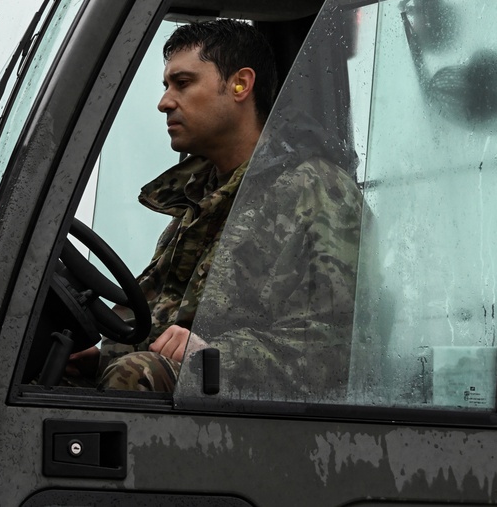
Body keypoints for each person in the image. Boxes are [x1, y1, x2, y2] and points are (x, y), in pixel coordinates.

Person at [69, 20, 363, 397]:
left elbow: (333, 350)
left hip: (263, 424)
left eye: (183, 83)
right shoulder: (200, 199)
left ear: (240, 84)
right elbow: (160, 321)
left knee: (133, 376)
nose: (165, 102)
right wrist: (102, 356)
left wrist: (211, 356)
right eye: (166, 86)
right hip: (206, 400)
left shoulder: (316, 190)